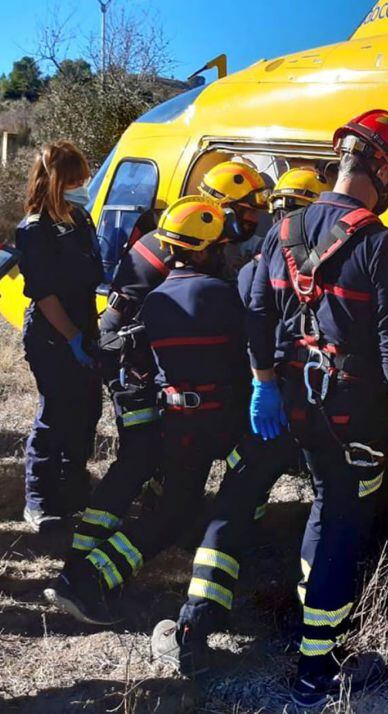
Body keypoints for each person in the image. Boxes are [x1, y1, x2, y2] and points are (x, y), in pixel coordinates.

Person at [244, 110, 388, 706]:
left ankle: (323, 638)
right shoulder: (377, 242)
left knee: (326, 507)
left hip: (298, 404)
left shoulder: (285, 230)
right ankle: (314, 671)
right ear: (376, 167)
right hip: (356, 413)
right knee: (343, 527)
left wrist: (264, 381)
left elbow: (258, 315)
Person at [151, 167, 332, 677]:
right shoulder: (346, 259)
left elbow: (246, 342)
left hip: (270, 409)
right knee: (329, 511)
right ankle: (317, 632)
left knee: (233, 508)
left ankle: (195, 625)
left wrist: (257, 389)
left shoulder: (256, 267)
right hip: (326, 409)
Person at [46, 197, 249, 625]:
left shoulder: (157, 301)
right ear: (202, 249)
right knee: (224, 497)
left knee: (174, 510)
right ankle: (88, 579)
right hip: (215, 424)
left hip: (175, 424)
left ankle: (86, 577)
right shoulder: (224, 297)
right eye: (219, 246)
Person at [87, 160, 269, 521]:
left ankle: (168, 513)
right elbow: (133, 323)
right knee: (140, 454)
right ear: (224, 208)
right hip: (131, 365)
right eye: (248, 212)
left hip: (157, 365)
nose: (253, 222)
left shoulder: (205, 238)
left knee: (176, 452)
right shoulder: (173, 244)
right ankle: (91, 540)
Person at [16, 142, 104, 533]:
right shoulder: (35, 230)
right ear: (54, 181)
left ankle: (74, 492)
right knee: (55, 415)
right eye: (76, 180)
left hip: (84, 325)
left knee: (87, 413)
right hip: (53, 335)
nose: (83, 185)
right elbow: (44, 293)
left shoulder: (81, 218)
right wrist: (72, 337)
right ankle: (40, 500)